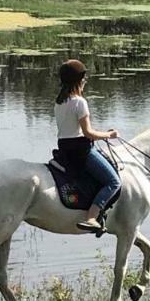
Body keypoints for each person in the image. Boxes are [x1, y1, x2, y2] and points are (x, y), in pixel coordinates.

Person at [55, 59, 121, 233]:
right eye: (84, 78)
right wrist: (110, 135)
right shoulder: (80, 102)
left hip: (64, 149)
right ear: (78, 80)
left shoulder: (59, 102)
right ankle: (92, 217)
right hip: (81, 152)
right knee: (114, 182)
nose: (85, 81)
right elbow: (88, 133)